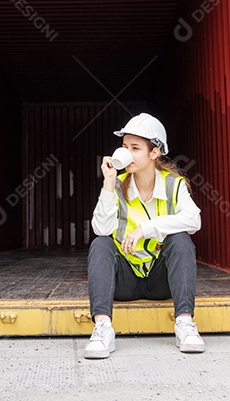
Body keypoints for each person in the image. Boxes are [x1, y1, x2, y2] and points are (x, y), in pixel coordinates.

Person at [85, 112, 204, 359]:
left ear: (154, 153)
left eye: (135, 147)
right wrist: (108, 184)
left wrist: (146, 229)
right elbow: (101, 229)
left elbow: (194, 220)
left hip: (159, 280)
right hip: (125, 281)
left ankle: (184, 324)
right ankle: (102, 328)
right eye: (124, 146)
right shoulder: (117, 184)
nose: (126, 152)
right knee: (101, 244)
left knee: (181, 239)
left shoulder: (174, 184)